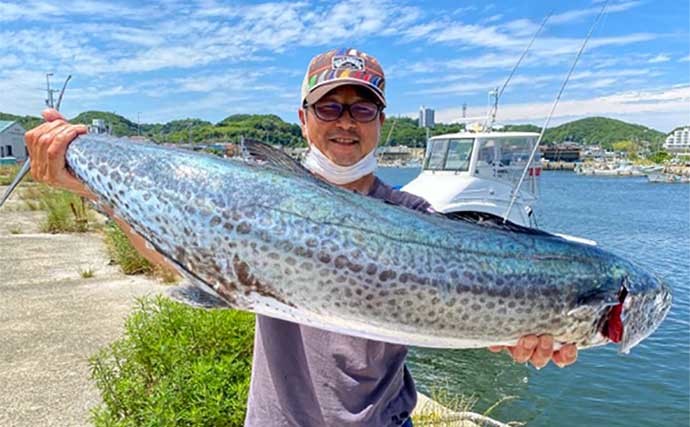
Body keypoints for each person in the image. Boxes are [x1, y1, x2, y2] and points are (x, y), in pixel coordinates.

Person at [25, 47, 577, 427]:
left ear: (381, 120)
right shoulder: (259, 197)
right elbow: (181, 260)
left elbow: (462, 302)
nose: (345, 121)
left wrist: (518, 329)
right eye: (329, 106)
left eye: (362, 107)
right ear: (303, 117)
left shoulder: (413, 215)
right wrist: (90, 185)